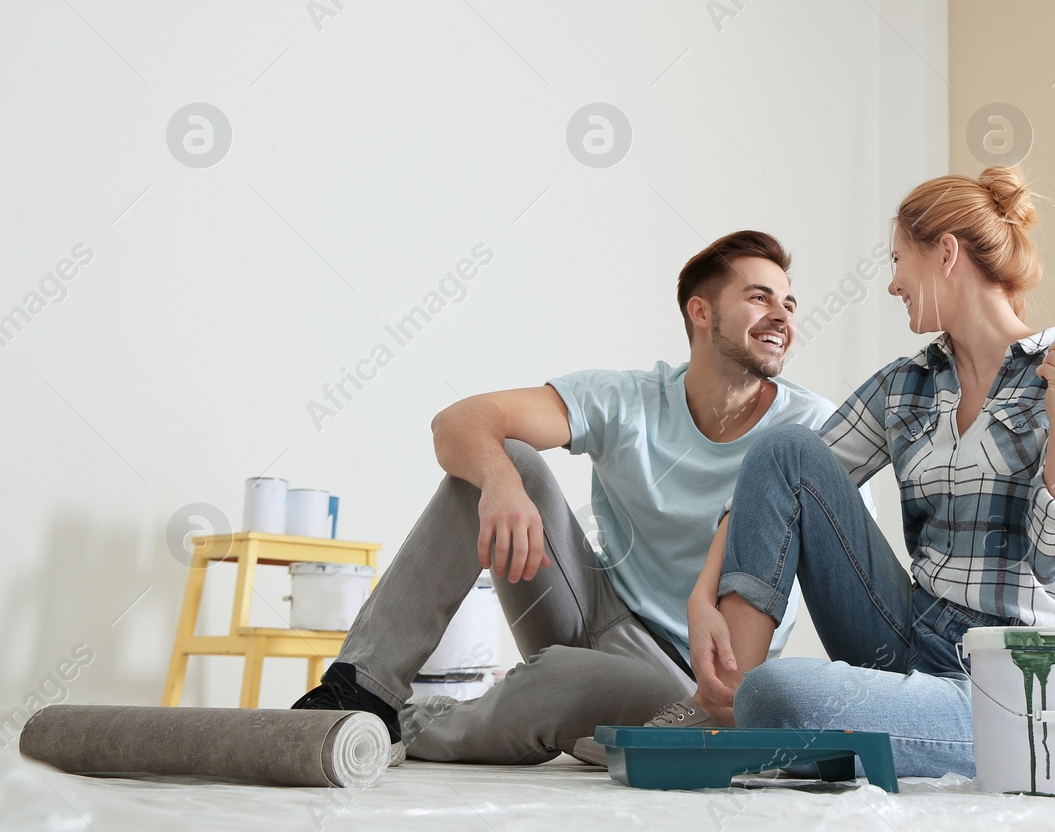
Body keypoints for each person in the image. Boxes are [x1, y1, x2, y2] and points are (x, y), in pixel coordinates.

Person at [291, 230, 844, 766]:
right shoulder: (630, 398)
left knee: (561, 682)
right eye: (759, 297)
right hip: (591, 610)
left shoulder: (812, 428)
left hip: (685, 676)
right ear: (701, 313)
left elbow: (833, 564)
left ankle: (416, 724)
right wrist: (502, 484)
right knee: (502, 457)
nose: (783, 316)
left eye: (790, 304)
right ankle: (361, 690)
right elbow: (459, 421)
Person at [678, 166, 1055, 777]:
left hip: (1011, 687)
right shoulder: (905, 384)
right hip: (911, 638)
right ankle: (724, 706)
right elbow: (779, 483)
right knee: (785, 450)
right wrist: (702, 596)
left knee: (781, 698)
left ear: (946, 254)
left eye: (898, 261)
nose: (892, 284)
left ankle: (753, 713)